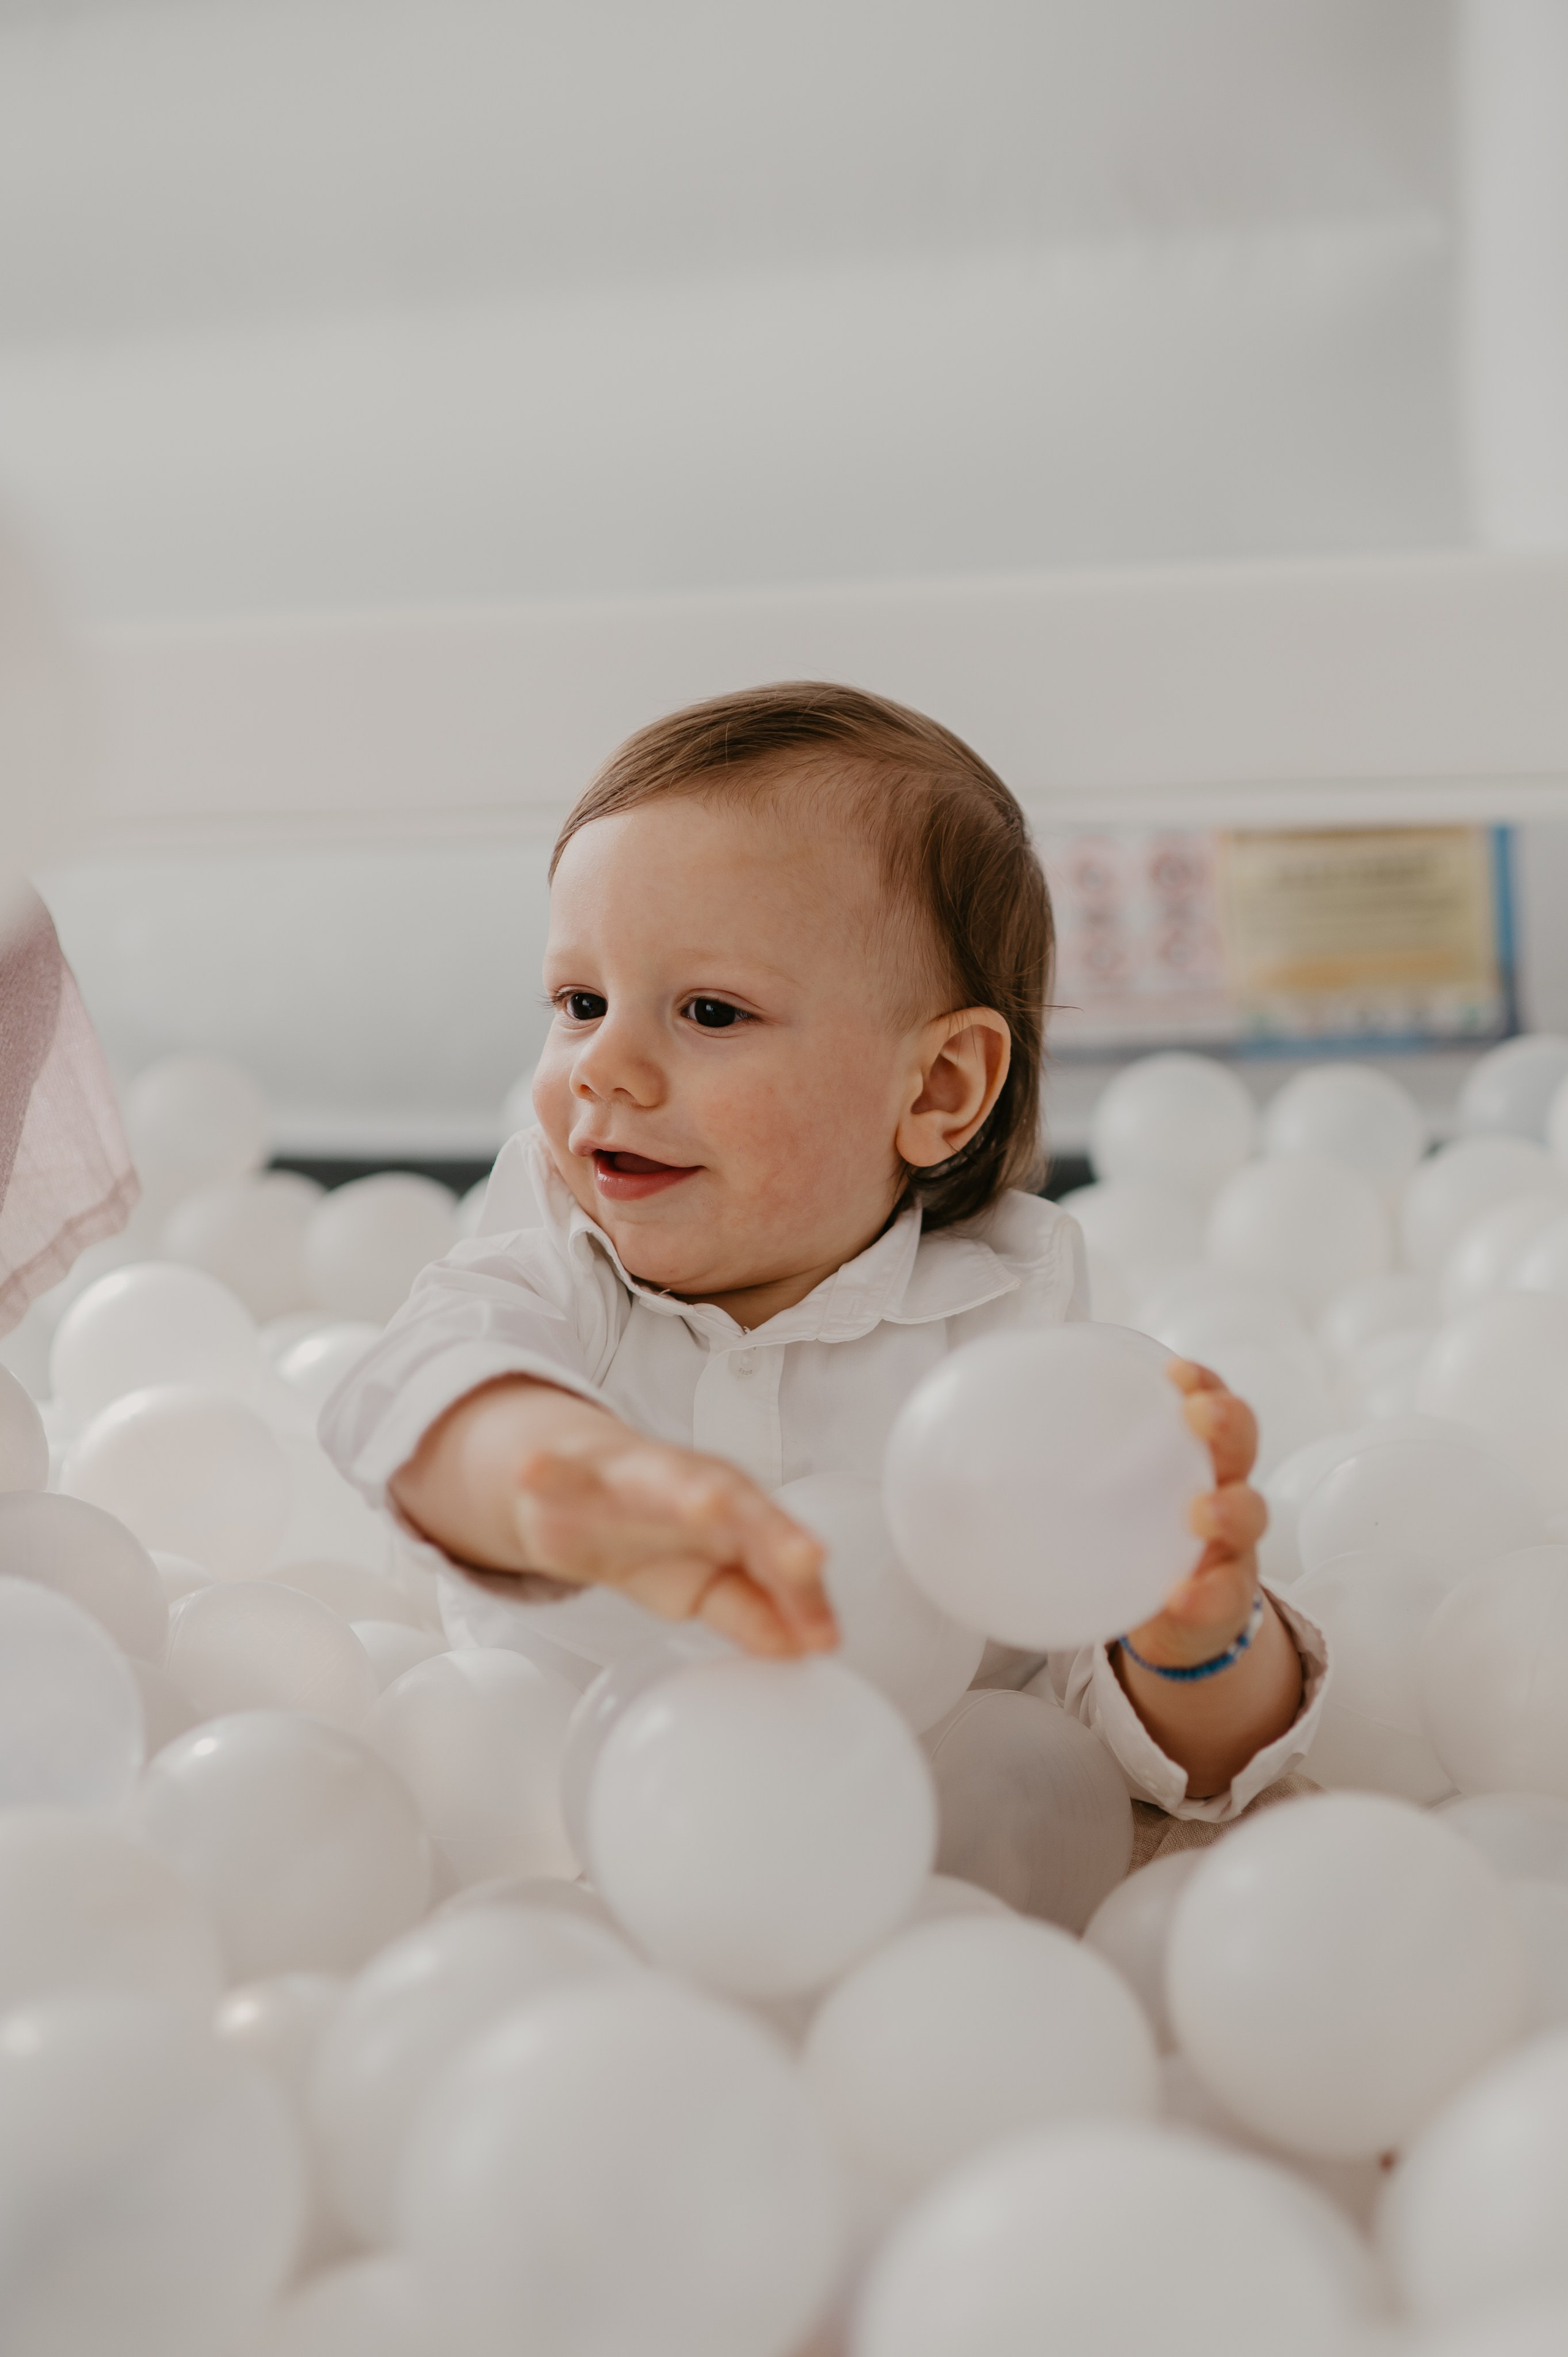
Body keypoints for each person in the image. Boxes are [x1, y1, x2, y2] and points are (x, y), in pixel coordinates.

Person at [322, 684, 1325, 1825]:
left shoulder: (1009, 1334)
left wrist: (1196, 1646)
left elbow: (1165, 1760)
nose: (605, 1066)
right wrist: (554, 1470)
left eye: (709, 1013)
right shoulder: (560, 1256)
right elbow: (414, 1383)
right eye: (580, 999)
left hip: (920, 1854)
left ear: (939, 1090)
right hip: (574, 1826)